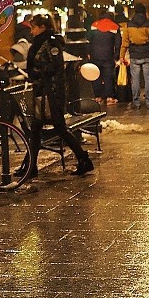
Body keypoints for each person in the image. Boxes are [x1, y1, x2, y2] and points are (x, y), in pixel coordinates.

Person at [26, 14, 93, 177]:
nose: (32, 31)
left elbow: (55, 66)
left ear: (43, 27)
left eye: (34, 27)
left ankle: (84, 159)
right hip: (42, 91)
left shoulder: (51, 42)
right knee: (36, 128)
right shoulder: (39, 42)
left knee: (59, 128)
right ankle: (31, 166)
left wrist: (38, 73)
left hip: (52, 92)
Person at [120, 3, 149, 109]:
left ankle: (136, 102)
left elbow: (124, 43)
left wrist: (121, 56)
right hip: (147, 54)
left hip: (134, 55)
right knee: (148, 79)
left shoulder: (128, 25)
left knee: (135, 80)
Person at [87, 10, 120, 105]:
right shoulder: (114, 26)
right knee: (108, 76)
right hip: (108, 55)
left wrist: (89, 53)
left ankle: (98, 97)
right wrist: (116, 56)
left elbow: (89, 39)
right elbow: (118, 43)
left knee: (96, 76)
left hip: (95, 55)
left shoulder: (94, 25)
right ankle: (109, 98)